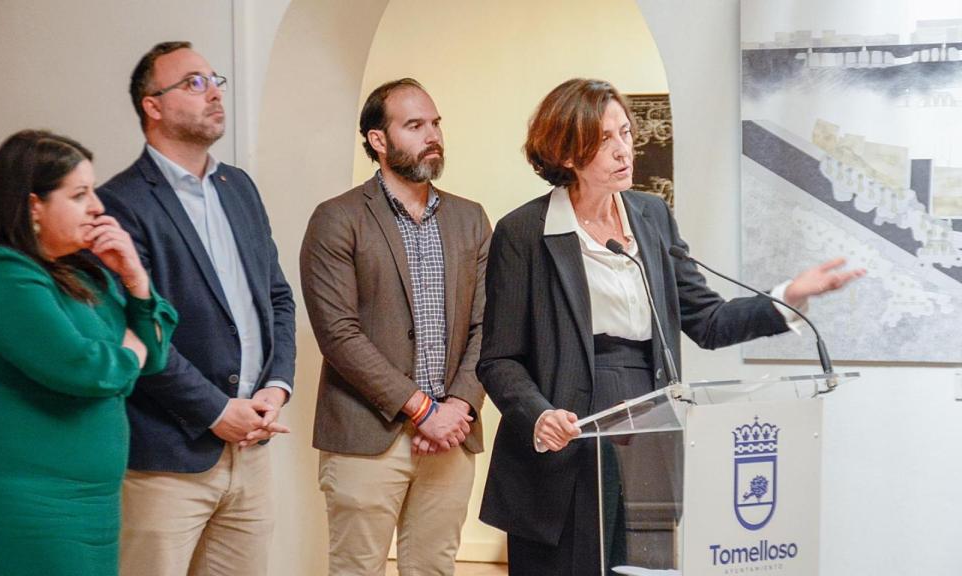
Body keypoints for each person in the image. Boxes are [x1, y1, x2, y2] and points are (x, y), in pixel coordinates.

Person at [477, 78, 865, 576]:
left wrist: (786, 297)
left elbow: (707, 319)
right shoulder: (525, 232)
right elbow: (499, 357)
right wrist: (539, 414)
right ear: (568, 154)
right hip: (567, 436)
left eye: (626, 134)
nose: (624, 152)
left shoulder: (651, 215)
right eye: (605, 141)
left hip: (649, 424)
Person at [97, 41, 296, 576]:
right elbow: (137, 331)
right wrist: (215, 410)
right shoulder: (121, 202)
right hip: (167, 457)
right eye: (193, 82)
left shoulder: (240, 188)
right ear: (152, 105)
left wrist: (275, 387)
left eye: (215, 80)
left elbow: (276, 296)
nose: (213, 93)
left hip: (252, 449)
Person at [0, 130, 177, 576]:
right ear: (33, 205)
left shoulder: (85, 272)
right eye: (79, 194)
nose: (98, 208)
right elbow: (83, 369)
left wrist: (134, 277)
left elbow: (157, 351)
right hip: (15, 502)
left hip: (89, 505)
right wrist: (130, 353)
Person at [301, 78, 491, 576]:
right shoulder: (337, 218)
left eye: (435, 123)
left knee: (434, 569)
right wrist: (420, 408)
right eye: (414, 125)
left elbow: (487, 327)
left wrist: (456, 407)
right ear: (377, 140)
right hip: (368, 434)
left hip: (451, 438)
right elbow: (338, 334)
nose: (432, 135)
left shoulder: (470, 219)